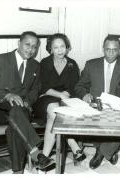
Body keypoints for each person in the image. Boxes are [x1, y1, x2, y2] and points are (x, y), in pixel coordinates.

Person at [0, 31, 55, 173]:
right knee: (17, 113)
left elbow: (36, 90)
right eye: (27, 45)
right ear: (19, 43)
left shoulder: (35, 65)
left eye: (35, 47)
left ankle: (18, 171)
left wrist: (28, 101)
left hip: (21, 109)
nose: (31, 50)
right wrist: (8, 95)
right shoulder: (0, 59)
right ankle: (35, 152)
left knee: (15, 125)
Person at [75, 35, 120, 169]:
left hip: (117, 108)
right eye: (107, 49)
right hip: (96, 106)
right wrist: (85, 95)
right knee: (90, 123)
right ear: (103, 49)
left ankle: (101, 152)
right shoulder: (91, 64)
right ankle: (110, 151)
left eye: (114, 50)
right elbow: (79, 86)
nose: (110, 53)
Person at [32, 33, 86, 166]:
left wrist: (65, 95)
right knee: (53, 108)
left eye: (62, 46)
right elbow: (42, 86)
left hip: (65, 99)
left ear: (67, 47)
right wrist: (60, 95)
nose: (60, 50)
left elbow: (74, 86)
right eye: (55, 47)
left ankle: (43, 157)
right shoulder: (44, 63)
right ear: (50, 49)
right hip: (45, 99)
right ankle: (73, 144)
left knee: (55, 113)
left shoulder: (72, 64)